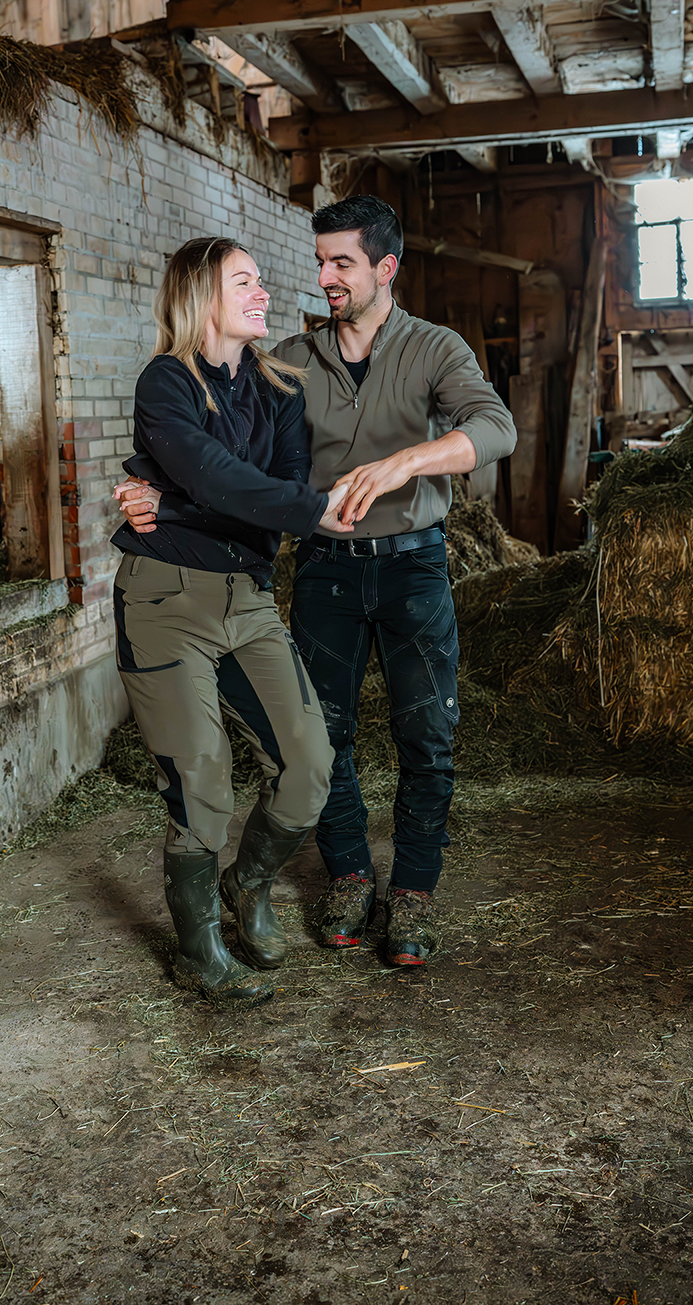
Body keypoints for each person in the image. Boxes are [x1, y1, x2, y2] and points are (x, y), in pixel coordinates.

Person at [272, 196, 516, 967]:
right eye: (321, 262)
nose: (326, 277)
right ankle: (348, 875)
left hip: (413, 566)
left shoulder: (435, 349)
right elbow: (230, 446)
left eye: (341, 263)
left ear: (386, 267)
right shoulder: (292, 358)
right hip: (324, 572)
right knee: (319, 737)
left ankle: (412, 890)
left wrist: (406, 460)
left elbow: (494, 427)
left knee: (427, 736)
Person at [111, 236, 352, 1008]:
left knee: (311, 764)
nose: (265, 294)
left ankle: (245, 884)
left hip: (245, 599)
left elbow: (266, 502)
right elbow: (220, 477)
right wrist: (314, 511)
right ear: (201, 296)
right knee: (201, 776)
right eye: (244, 281)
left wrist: (170, 503)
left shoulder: (280, 390)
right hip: (164, 600)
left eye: (260, 283)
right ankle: (199, 954)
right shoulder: (165, 385)